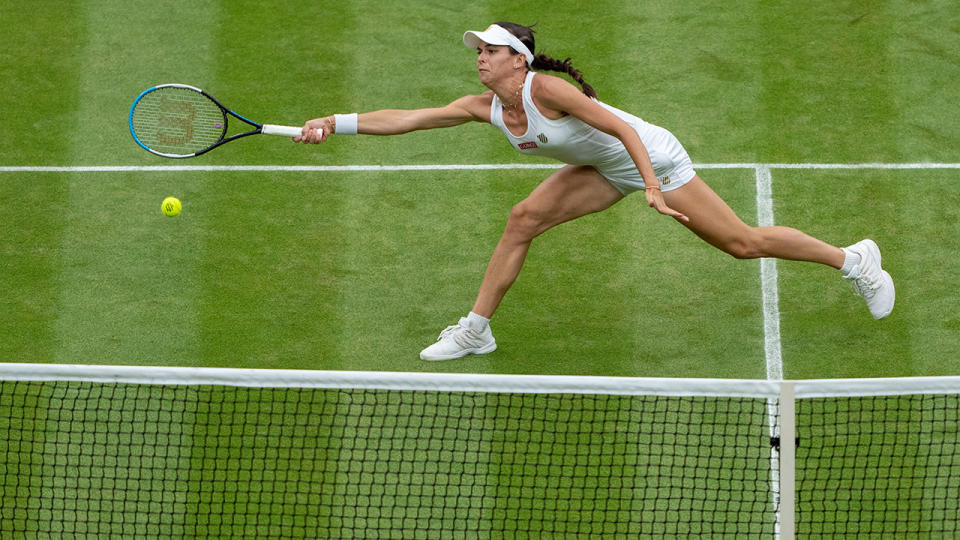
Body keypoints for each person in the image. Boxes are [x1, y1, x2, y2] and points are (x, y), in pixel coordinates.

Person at [295, 22, 895, 361]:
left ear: (519, 61)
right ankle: (477, 329)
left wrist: (655, 188)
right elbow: (406, 118)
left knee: (741, 243)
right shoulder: (485, 107)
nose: (480, 59)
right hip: (607, 168)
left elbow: (623, 129)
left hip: (651, 156)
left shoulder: (548, 91)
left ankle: (854, 260)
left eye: (491, 51)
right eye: (478, 52)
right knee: (523, 218)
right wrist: (333, 121)